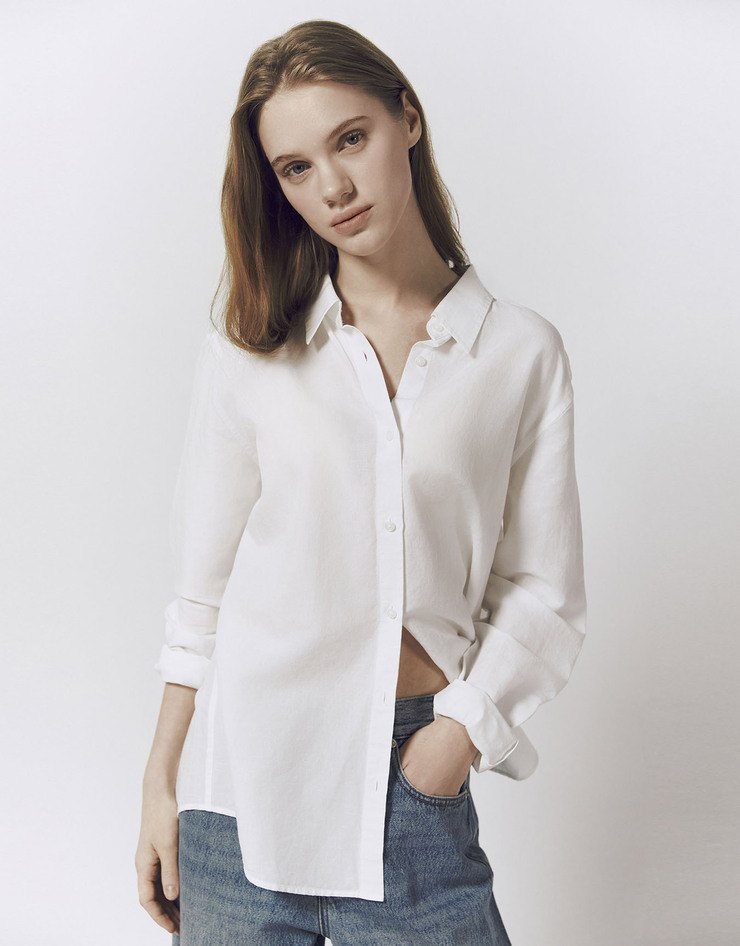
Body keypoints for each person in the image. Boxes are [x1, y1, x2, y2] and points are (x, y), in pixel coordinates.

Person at [135, 18, 586, 946]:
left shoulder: (519, 353)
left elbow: (544, 589)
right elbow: (201, 595)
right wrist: (159, 785)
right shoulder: (250, 351)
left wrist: (455, 737)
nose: (333, 187)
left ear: (406, 119)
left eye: (351, 139)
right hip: (239, 799)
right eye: (296, 168)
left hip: (413, 792)